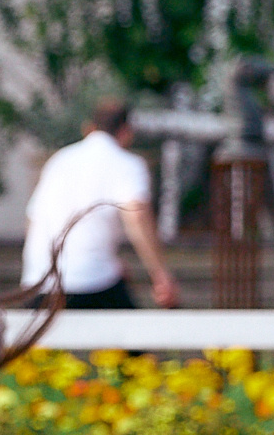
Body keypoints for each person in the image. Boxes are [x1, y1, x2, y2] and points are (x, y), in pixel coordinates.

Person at [20, 98, 181, 309]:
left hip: (38, 283)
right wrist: (161, 276)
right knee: (135, 328)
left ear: (88, 128)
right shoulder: (127, 164)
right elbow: (136, 216)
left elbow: (33, 219)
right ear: (126, 132)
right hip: (89, 284)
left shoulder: (59, 160)